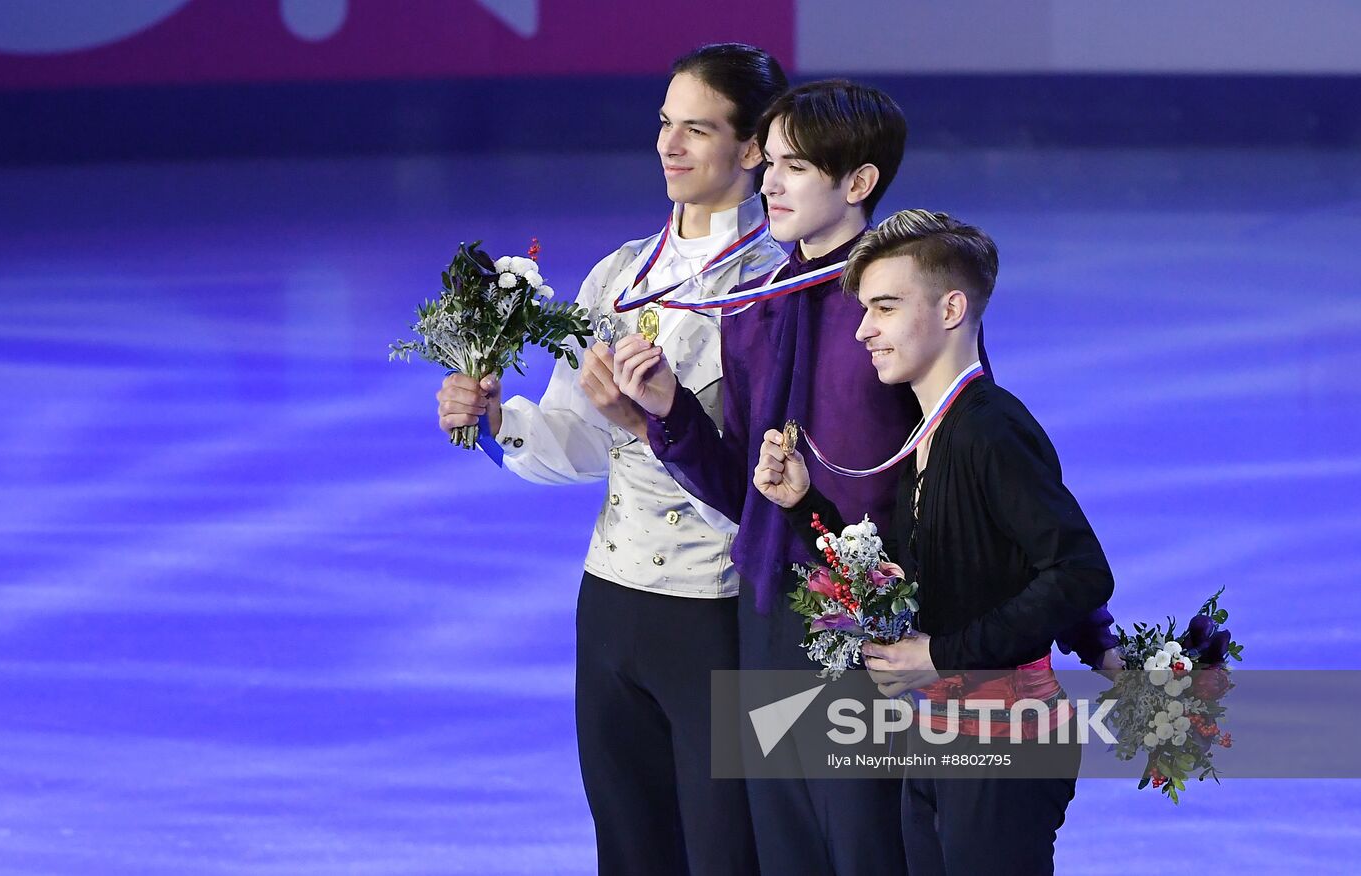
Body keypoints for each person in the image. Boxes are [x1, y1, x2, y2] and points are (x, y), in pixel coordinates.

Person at [612, 83, 1116, 876]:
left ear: (858, 183)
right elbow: (744, 491)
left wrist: (1096, 634)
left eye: (796, 167)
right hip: (770, 613)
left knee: (867, 851)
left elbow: (980, 480)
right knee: (787, 852)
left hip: (875, 629)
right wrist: (670, 414)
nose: (769, 183)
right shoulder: (748, 305)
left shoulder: (900, 309)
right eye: (767, 162)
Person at [434, 43, 788, 876]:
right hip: (613, 603)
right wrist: (494, 424)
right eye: (666, 123)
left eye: (697, 130)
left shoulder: (779, 290)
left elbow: (769, 492)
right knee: (629, 851)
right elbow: (582, 441)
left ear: (751, 150)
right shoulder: (620, 277)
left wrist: (662, 419)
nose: (670, 145)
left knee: (726, 854)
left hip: (720, 611)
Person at [753, 209, 1115, 875]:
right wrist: (807, 503)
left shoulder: (990, 431)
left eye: (885, 307)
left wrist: (942, 653)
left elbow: (1080, 573)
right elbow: (900, 580)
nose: (864, 329)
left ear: (952, 308)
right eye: (865, 310)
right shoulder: (930, 434)